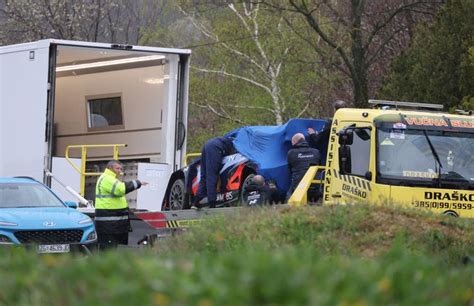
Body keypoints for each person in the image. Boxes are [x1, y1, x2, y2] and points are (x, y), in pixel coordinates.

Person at [94, 160, 148, 249]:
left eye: (121, 169)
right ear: (110, 168)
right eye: (117, 168)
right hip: (109, 226)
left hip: (114, 225)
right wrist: (138, 183)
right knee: (109, 253)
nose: (120, 171)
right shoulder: (107, 178)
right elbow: (120, 189)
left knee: (116, 252)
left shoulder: (111, 179)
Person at [192, 136, 235, 209]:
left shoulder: (229, 138)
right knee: (212, 176)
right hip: (215, 148)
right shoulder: (237, 143)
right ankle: (212, 204)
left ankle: (196, 202)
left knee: (204, 176)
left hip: (207, 145)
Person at [287, 133, 321, 198]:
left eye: (292, 143)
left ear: (294, 142)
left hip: (299, 185)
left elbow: (289, 169)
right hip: (316, 184)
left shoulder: (291, 153)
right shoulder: (316, 152)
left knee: (288, 195)